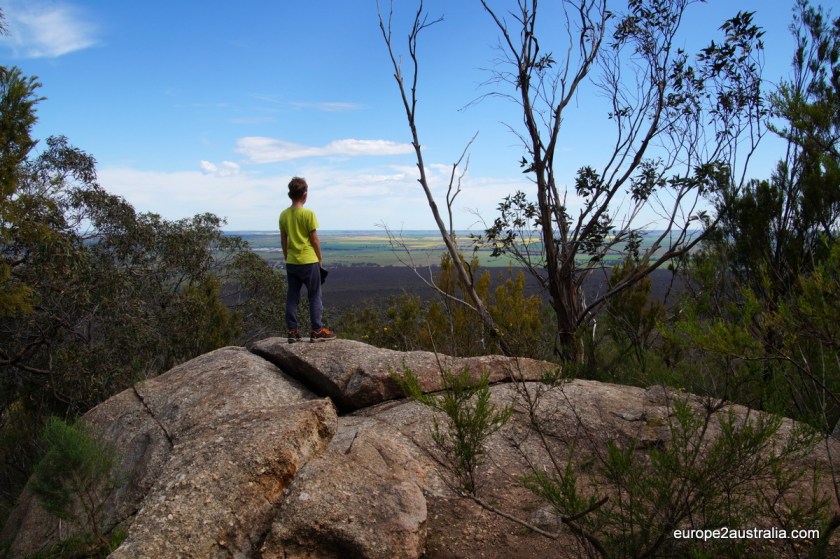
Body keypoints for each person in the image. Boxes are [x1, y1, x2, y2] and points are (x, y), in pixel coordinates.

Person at [279, 177, 336, 343]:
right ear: (305, 195)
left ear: (290, 194)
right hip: (309, 261)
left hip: (292, 262)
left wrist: (287, 256)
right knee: (314, 296)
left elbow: (284, 240)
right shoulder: (308, 214)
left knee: (292, 297)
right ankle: (317, 330)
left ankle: (292, 330)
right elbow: (314, 239)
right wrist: (319, 258)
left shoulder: (283, 215)